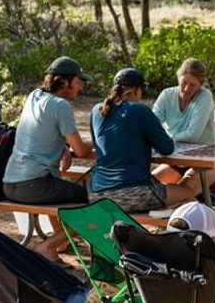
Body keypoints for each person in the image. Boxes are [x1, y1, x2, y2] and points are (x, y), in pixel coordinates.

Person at [2, 56, 94, 260]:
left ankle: (58, 245)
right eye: (78, 82)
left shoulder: (34, 96)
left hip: (10, 183)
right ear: (64, 82)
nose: (79, 89)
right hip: (35, 185)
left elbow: (40, 129)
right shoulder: (60, 105)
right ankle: (48, 246)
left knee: (62, 188)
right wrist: (96, 142)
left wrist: (61, 146)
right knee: (97, 205)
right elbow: (80, 150)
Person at [88, 68, 208, 213]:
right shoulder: (140, 110)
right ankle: (168, 231)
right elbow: (167, 148)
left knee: (160, 186)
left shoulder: (97, 110)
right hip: (132, 193)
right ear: (137, 91)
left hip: (95, 193)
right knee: (188, 192)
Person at [151, 58, 215, 189]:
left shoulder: (205, 96)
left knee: (183, 191)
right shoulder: (167, 95)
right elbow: (152, 125)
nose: (187, 89)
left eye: (192, 85)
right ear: (178, 78)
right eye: (184, 83)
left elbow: (193, 135)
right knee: (150, 187)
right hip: (175, 161)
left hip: (205, 162)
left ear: (200, 85)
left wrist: (164, 141)